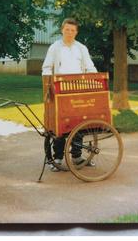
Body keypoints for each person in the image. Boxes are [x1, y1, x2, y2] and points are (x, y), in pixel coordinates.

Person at [42, 18, 97, 171]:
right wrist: (49, 84)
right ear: (62, 30)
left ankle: (77, 157)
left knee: (79, 124)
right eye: (67, 30)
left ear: (76, 32)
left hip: (78, 90)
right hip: (60, 91)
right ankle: (58, 158)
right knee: (61, 125)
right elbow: (46, 68)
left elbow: (90, 68)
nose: (70, 33)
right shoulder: (55, 47)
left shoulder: (81, 48)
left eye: (73, 30)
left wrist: (95, 82)